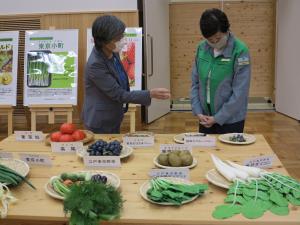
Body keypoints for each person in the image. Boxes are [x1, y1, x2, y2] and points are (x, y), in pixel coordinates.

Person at [82, 15, 170, 134]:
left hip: (113, 115)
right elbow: (119, 94)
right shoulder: (95, 65)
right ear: (104, 41)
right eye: (118, 38)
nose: (123, 40)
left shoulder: (112, 52)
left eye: (122, 35)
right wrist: (150, 94)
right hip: (100, 120)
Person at [191, 8, 251, 134]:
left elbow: (240, 93)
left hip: (231, 120)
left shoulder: (240, 51)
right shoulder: (201, 48)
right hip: (205, 119)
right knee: (205, 153)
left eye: (217, 38)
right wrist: (198, 111)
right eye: (210, 40)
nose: (214, 42)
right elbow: (195, 83)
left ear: (226, 30)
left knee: (229, 153)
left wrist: (218, 118)